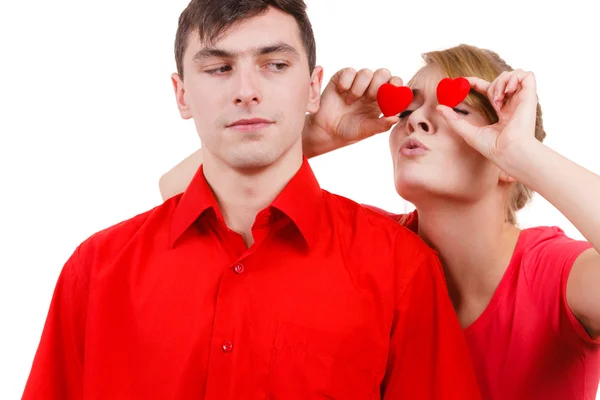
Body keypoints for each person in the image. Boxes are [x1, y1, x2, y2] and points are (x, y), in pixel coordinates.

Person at [23, 1, 482, 399]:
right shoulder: (96, 272)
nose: (246, 91)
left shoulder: (399, 268)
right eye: (219, 68)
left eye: (275, 65)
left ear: (312, 87)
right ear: (182, 95)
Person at [160, 44, 600, 399]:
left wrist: (521, 154)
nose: (417, 122)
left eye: (456, 111)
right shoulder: (373, 249)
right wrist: (311, 134)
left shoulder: (557, 275)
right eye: (406, 111)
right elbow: (181, 196)